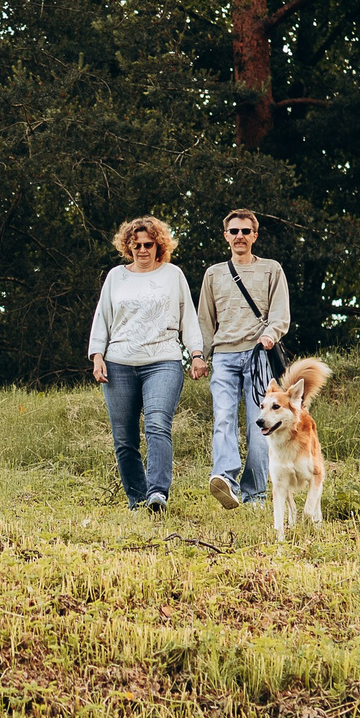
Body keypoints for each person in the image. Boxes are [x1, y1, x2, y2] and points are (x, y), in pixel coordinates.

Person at [87, 215, 206, 513]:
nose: (142, 250)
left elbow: (188, 317)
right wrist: (97, 355)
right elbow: (102, 317)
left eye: (148, 244)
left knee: (157, 424)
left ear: (159, 245)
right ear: (127, 246)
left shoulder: (173, 275)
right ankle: (137, 500)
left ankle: (157, 494)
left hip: (162, 360)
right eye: (136, 245)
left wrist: (196, 354)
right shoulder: (116, 276)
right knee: (124, 438)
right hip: (119, 363)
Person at [194, 208, 291, 511]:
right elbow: (205, 319)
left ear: (255, 236)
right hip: (224, 356)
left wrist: (270, 335)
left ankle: (255, 494)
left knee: (259, 425)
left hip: (258, 355)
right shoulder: (214, 274)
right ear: (226, 236)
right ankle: (225, 479)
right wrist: (200, 355)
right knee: (223, 417)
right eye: (234, 231)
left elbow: (281, 313)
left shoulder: (271, 269)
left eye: (245, 231)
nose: (240, 236)